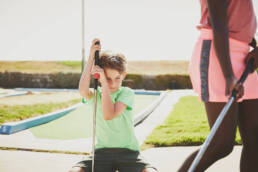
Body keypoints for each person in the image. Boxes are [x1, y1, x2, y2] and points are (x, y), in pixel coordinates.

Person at [178, 0, 258, 171]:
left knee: (255, 139)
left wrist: (254, 44)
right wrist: (229, 76)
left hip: (243, 55)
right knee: (221, 144)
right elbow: (219, 25)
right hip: (218, 55)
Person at [69, 39, 157, 172]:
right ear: (99, 76)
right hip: (102, 153)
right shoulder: (96, 95)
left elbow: (109, 115)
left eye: (117, 78)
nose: (113, 84)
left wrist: (104, 82)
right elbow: (82, 90)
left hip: (128, 152)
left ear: (123, 76)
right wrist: (91, 56)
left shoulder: (126, 93)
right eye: (108, 78)